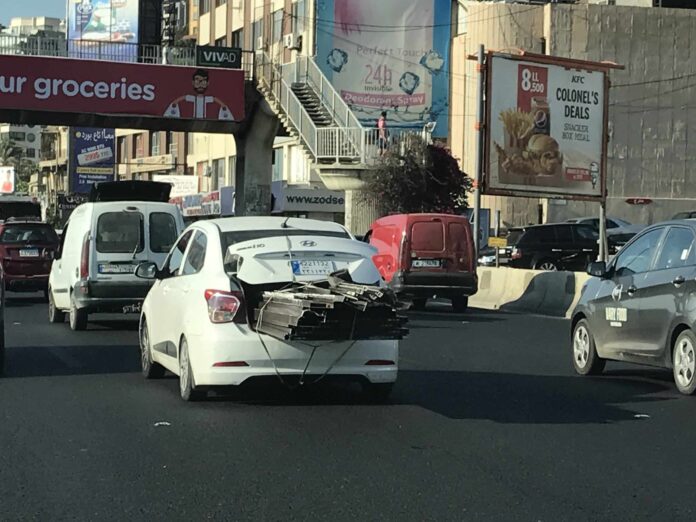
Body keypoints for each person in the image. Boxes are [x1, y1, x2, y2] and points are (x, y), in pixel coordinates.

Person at [164, 69, 236, 121]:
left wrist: (223, 106)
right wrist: (174, 103)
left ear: (207, 83)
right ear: (193, 82)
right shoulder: (192, 98)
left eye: (203, 81)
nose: (200, 84)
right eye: (197, 81)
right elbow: (185, 97)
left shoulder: (206, 99)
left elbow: (214, 99)